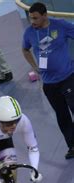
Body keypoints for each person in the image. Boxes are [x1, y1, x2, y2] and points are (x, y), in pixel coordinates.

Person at [21, 2, 74, 159]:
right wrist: (34, 67)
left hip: (68, 77)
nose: (33, 22)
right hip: (49, 84)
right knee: (62, 114)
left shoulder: (61, 25)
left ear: (45, 15)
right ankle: (72, 145)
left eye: (36, 18)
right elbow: (25, 49)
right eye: (31, 18)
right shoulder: (29, 33)